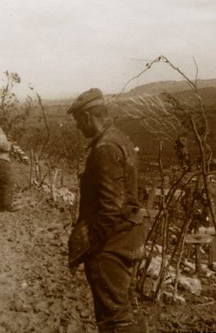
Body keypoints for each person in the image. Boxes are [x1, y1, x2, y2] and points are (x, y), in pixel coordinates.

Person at [67, 88, 147, 333]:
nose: (79, 128)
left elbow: (111, 209)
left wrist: (91, 244)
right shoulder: (120, 138)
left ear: (88, 118)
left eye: (80, 122)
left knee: (114, 321)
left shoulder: (105, 148)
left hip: (110, 245)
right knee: (125, 310)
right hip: (126, 236)